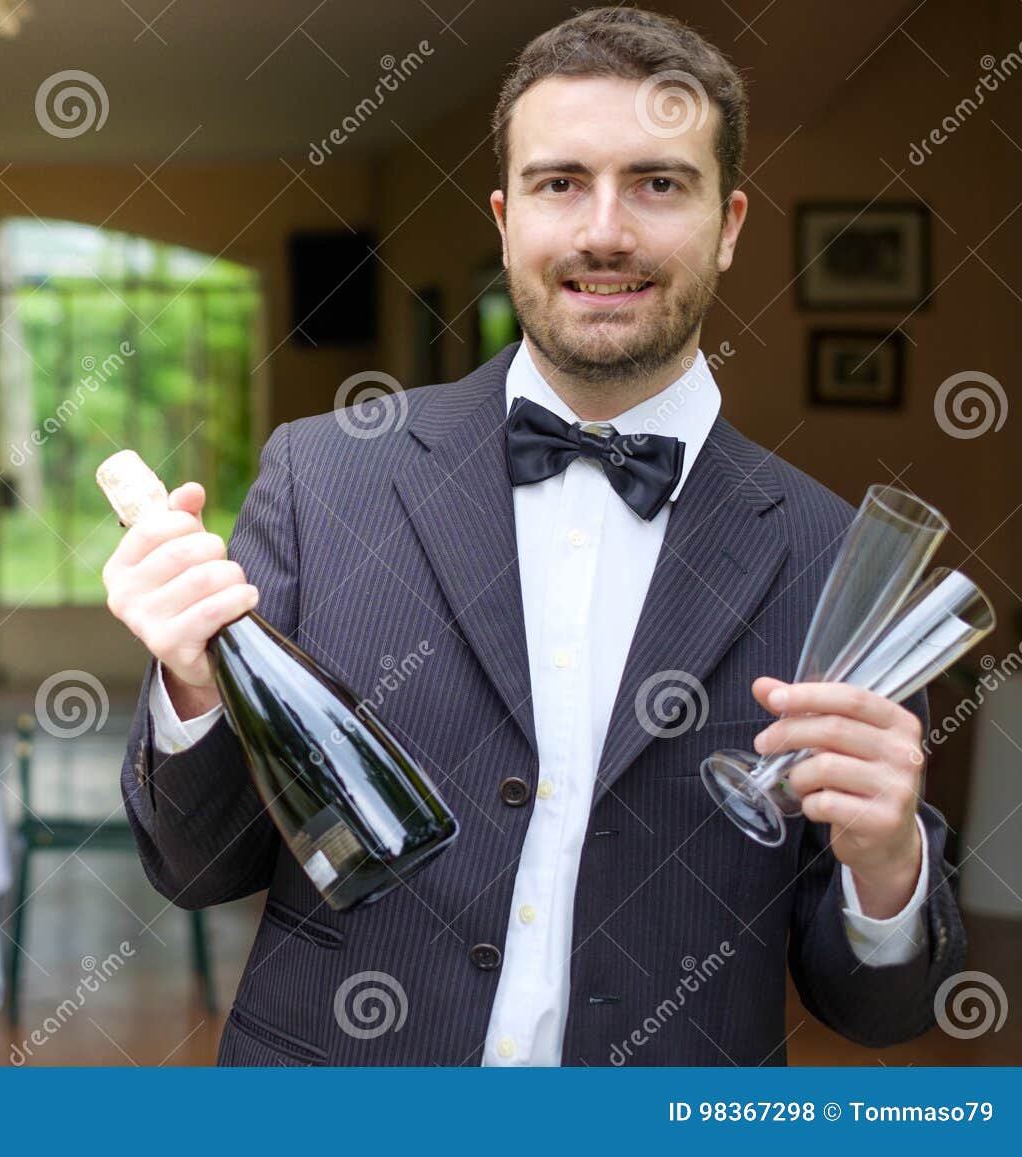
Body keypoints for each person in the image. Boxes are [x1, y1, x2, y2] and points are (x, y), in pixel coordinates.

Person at [100, 6, 963, 1066]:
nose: (605, 230)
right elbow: (199, 868)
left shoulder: (834, 555)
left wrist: (886, 862)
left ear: (729, 223)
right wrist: (191, 687)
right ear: (506, 219)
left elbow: (878, 1007)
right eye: (561, 183)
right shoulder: (323, 477)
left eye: (658, 183)